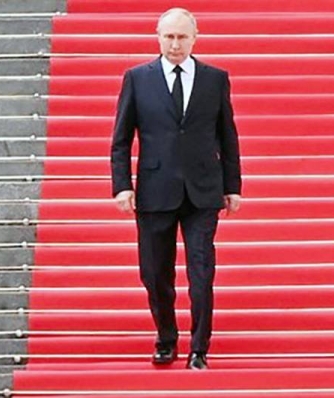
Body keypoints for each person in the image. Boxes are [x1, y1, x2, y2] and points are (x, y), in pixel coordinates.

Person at [110, 7, 242, 370]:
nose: (175, 44)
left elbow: (227, 136)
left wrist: (233, 186)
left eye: (182, 36)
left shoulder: (215, 79)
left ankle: (199, 348)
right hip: (155, 190)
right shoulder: (137, 78)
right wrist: (122, 185)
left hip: (203, 190)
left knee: (202, 273)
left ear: (195, 38)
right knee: (154, 273)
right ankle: (166, 338)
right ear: (158, 37)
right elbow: (121, 138)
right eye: (169, 36)